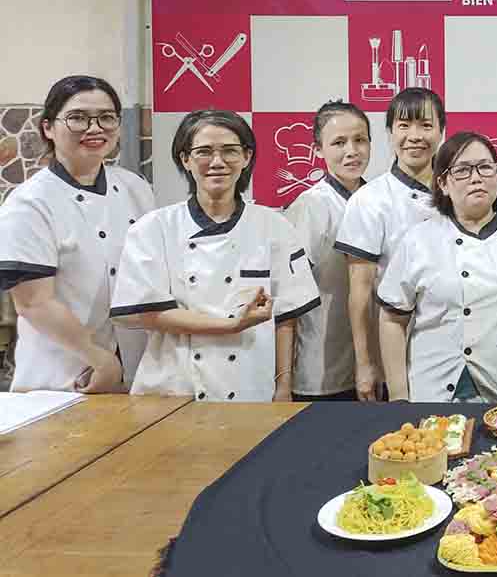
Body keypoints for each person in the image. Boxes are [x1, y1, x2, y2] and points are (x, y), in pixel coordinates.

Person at [110, 110, 320, 402]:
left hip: (250, 386)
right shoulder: (153, 229)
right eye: (204, 152)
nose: (217, 162)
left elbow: (286, 317)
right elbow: (150, 313)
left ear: (246, 157)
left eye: (230, 151)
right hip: (175, 387)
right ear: (185, 159)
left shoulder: (274, 227)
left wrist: (283, 386)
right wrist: (230, 325)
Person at [0, 76, 154, 392]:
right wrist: (99, 358)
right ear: (48, 128)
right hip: (63, 374)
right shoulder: (29, 202)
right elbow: (34, 303)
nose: (94, 128)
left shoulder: (135, 187)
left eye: (106, 117)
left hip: (135, 366)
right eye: (78, 118)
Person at [377, 133, 497, 403]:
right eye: (462, 170)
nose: (476, 178)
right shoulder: (419, 240)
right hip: (433, 385)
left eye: (485, 167)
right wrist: (399, 396)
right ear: (443, 183)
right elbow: (392, 320)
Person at [334, 88, 444, 401]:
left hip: (447, 349)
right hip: (393, 347)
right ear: (389, 132)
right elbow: (359, 291)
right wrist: (365, 363)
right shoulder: (370, 200)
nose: (414, 136)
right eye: (404, 126)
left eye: (426, 125)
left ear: (442, 131)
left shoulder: (456, 192)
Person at [284, 100, 371, 401]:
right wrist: (282, 378)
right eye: (339, 142)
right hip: (323, 369)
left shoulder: (377, 200)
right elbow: (289, 295)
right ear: (318, 149)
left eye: (360, 140)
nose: (352, 151)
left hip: (376, 366)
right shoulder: (312, 205)